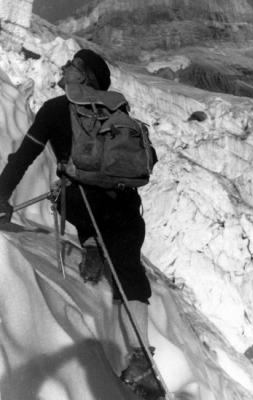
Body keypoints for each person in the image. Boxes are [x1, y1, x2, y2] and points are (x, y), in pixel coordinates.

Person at [0, 49, 163, 398]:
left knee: (65, 195)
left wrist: (1, 198)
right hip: (126, 205)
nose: (65, 68)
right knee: (128, 270)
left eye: (72, 66)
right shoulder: (117, 111)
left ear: (84, 76)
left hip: (80, 201)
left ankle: (91, 243)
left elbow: (23, 157)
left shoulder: (57, 109)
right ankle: (141, 359)